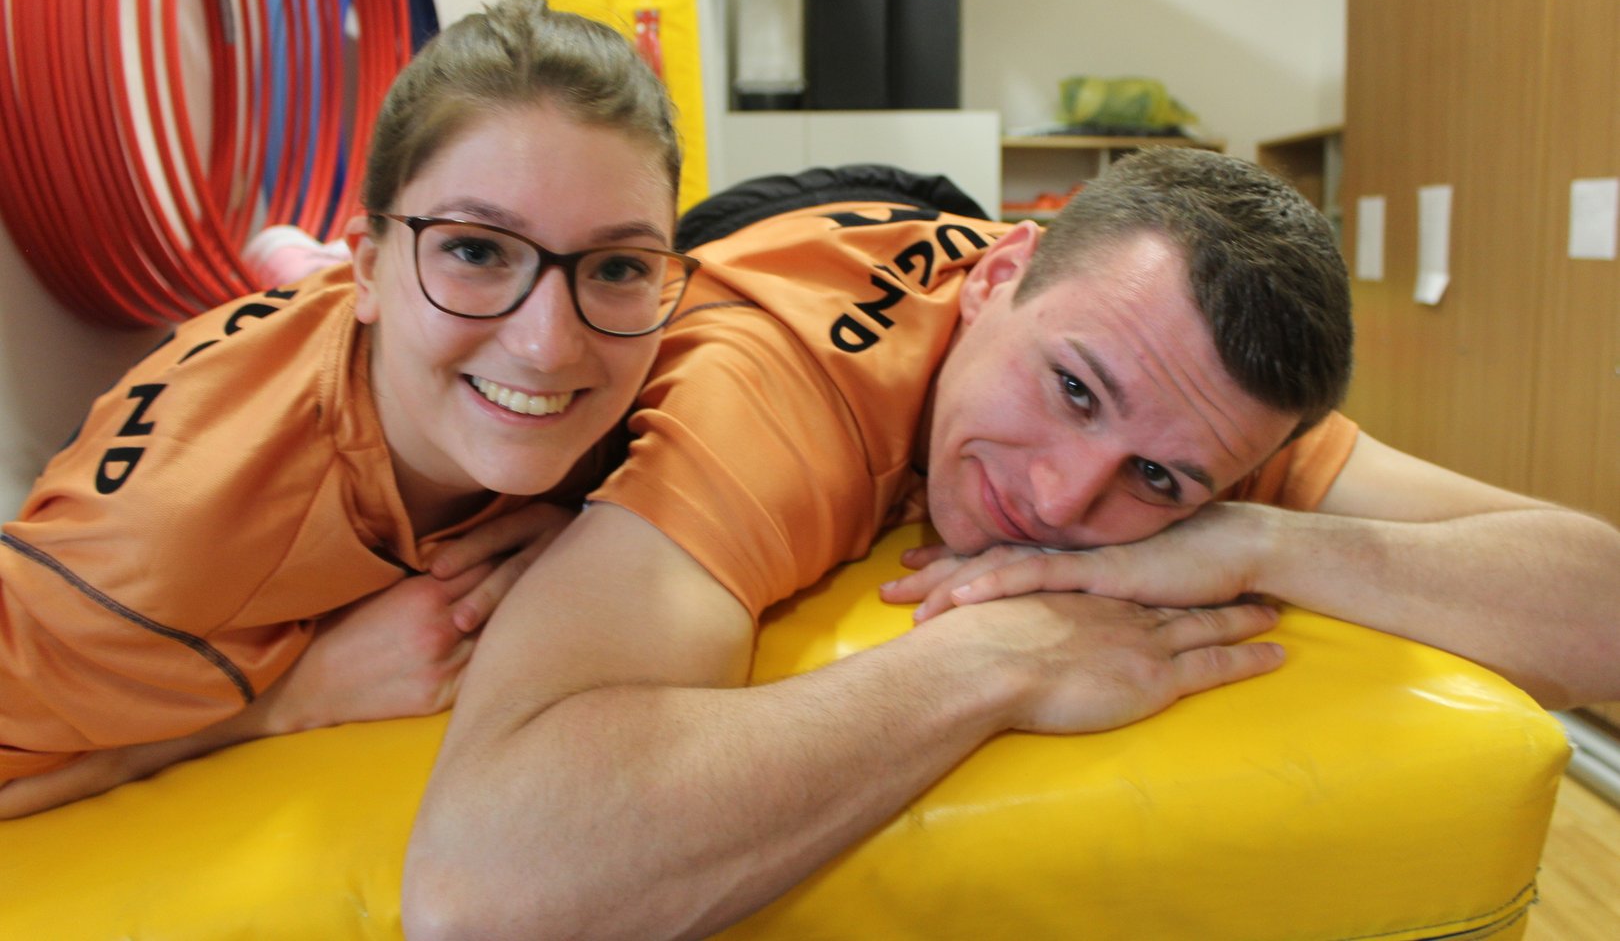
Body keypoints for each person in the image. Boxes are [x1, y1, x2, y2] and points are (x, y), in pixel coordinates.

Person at [401, 149, 1620, 939]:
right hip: (786, 238)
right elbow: (485, 885)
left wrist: (1257, 539)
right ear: (998, 279)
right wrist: (997, 661)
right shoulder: (774, 393)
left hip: (915, 217)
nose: (1061, 498)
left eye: (1157, 481)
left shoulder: (1184, 388)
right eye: (1073, 390)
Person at [0, 0, 696, 818]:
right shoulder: (169, 537)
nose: (547, 344)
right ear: (368, 267)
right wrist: (291, 698)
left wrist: (596, 530)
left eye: (618, 266)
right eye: (475, 250)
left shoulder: (675, 357)